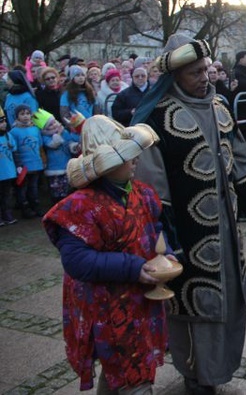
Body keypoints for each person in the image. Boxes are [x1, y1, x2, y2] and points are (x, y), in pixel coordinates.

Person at [132, 35, 246, 394]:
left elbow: (238, 153)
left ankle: (221, 365)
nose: (205, 77)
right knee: (194, 301)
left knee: (230, 294)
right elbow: (151, 181)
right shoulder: (156, 118)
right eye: (195, 72)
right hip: (185, 236)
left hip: (225, 229)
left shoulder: (221, 107)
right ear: (174, 76)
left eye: (206, 69)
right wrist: (166, 232)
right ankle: (196, 372)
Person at [42, 115, 169, 393]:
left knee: (125, 369)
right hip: (106, 305)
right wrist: (133, 267)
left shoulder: (143, 193)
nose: (136, 159)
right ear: (106, 163)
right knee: (131, 373)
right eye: (127, 156)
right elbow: (78, 261)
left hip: (141, 299)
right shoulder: (78, 206)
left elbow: (155, 230)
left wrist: (166, 255)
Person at [34, 109, 79, 205]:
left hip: (66, 164)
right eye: (50, 125)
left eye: (54, 122)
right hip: (54, 167)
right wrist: (58, 134)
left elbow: (69, 142)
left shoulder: (64, 132)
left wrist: (73, 146)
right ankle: (57, 203)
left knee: (67, 186)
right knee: (56, 188)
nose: (54, 125)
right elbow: (53, 144)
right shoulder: (46, 137)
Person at [9, 104, 44, 218]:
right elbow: (14, 149)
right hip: (23, 166)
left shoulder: (35, 129)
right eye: (22, 114)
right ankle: (25, 208)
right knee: (23, 188)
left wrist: (43, 160)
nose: (25, 116)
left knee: (33, 187)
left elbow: (40, 146)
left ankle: (35, 206)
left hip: (36, 164)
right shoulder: (14, 132)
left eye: (28, 113)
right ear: (17, 116)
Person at [0, 108, 18, 226]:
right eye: (1, 122)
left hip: (8, 172)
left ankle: (7, 213)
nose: (4, 124)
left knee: (7, 194)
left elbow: (14, 149)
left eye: (4, 121)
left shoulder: (8, 136)